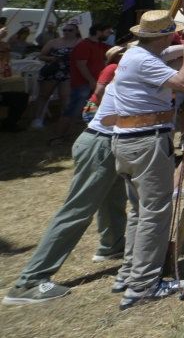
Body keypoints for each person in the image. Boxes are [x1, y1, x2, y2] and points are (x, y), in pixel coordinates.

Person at [3, 46, 129, 306]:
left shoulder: (126, 67)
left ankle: (112, 245)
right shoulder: (125, 69)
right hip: (101, 144)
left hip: (109, 143)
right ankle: (29, 281)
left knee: (113, 198)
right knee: (77, 211)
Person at [105, 12, 184, 309]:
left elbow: (171, 52)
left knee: (139, 211)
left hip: (130, 139)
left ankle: (130, 274)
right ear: (163, 35)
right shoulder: (145, 60)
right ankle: (145, 284)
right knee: (155, 212)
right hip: (146, 140)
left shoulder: (138, 54)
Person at [29, 23, 81, 130]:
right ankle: (37, 119)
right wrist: (51, 59)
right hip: (52, 71)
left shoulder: (81, 42)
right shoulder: (54, 42)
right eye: (65, 30)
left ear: (76, 31)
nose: (66, 32)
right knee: (44, 95)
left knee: (65, 97)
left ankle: (64, 121)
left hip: (68, 72)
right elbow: (41, 56)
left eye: (70, 30)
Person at [67, 23, 112, 127]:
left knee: (88, 111)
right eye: (108, 32)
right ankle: (64, 134)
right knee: (74, 110)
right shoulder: (84, 45)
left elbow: (117, 48)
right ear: (98, 32)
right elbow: (81, 65)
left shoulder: (100, 45)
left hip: (92, 83)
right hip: (82, 84)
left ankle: (79, 130)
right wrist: (91, 80)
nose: (109, 35)